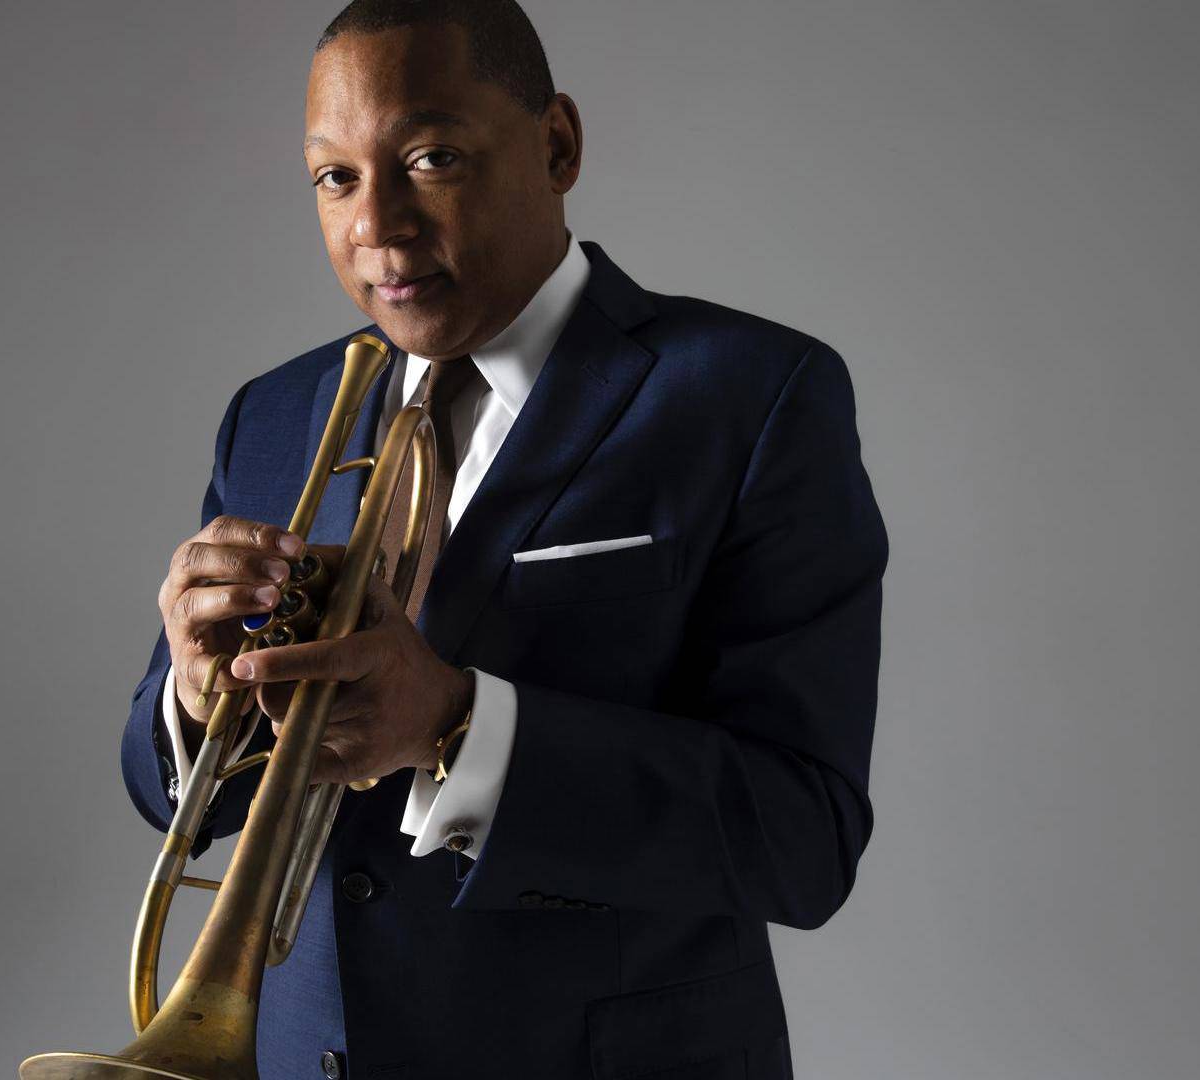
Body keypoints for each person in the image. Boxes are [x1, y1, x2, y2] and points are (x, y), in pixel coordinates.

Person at [116, 2, 888, 1077]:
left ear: (557, 144)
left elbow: (803, 841)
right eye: (334, 177)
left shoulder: (751, 394)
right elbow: (173, 791)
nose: (376, 225)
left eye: (430, 157)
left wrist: (456, 724)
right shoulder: (277, 414)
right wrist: (199, 703)